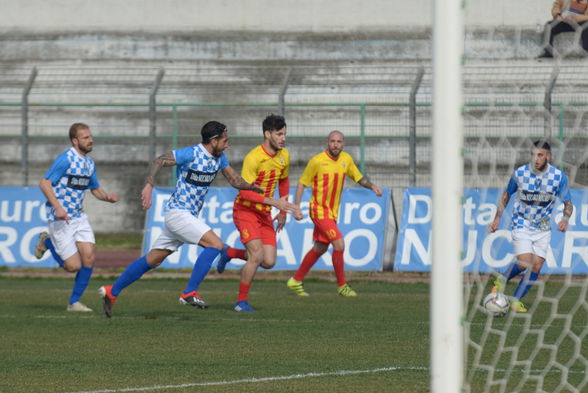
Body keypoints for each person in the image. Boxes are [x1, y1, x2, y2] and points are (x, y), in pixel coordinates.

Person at [98, 121, 279, 318]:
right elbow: (159, 160)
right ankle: (189, 292)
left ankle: (111, 292)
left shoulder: (219, 158)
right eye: (225, 141)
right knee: (216, 245)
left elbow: (234, 180)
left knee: (154, 259)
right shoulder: (192, 153)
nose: (228, 144)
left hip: (187, 216)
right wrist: (149, 185)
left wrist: (250, 186)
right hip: (178, 213)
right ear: (213, 140)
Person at [214, 114, 300, 312]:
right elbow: (244, 191)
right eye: (279, 134)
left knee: (268, 261)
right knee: (256, 255)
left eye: (284, 134)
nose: (283, 138)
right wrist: (275, 202)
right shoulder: (254, 157)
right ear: (267, 134)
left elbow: (284, 180)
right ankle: (240, 302)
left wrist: (283, 209)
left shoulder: (284, 155)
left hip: (265, 213)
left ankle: (229, 253)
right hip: (246, 210)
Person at [286, 130, 382, 297]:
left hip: (332, 213)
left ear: (343, 144)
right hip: (318, 210)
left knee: (321, 247)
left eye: (338, 141)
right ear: (327, 143)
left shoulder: (346, 160)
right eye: (332, 141)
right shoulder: (317, 161)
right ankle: (342, 286)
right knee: (339, 243)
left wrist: (372, 186)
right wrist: (297, 207)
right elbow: (302, 183)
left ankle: (296, 280)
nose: (335, 144)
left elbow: (358, 177)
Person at [34, 122, 119, 312]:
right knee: (73, 267)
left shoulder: (89, 163)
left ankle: (74, 303)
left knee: (89, 258)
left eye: (90, 137)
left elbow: (94, 188)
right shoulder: (66, 159)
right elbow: (45, 183)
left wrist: (107, 197)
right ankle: (46, 242)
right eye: (86, 138)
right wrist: (58, 208)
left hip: (79, 217)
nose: (91, 140)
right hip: (61, 218)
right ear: (75, 141)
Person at [487, 140, 574, 313]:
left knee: (536, 266)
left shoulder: (558, 177)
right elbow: (506, 195)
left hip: (542, 227)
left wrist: (565, 219)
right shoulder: (520, 173)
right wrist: (497, 218)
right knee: (525, 261)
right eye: (533, 155)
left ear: (548, 156)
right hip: (521, 222)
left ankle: (515, 301)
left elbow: (568, 204)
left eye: (540, 155)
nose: (536, 159)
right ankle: (502, 280)